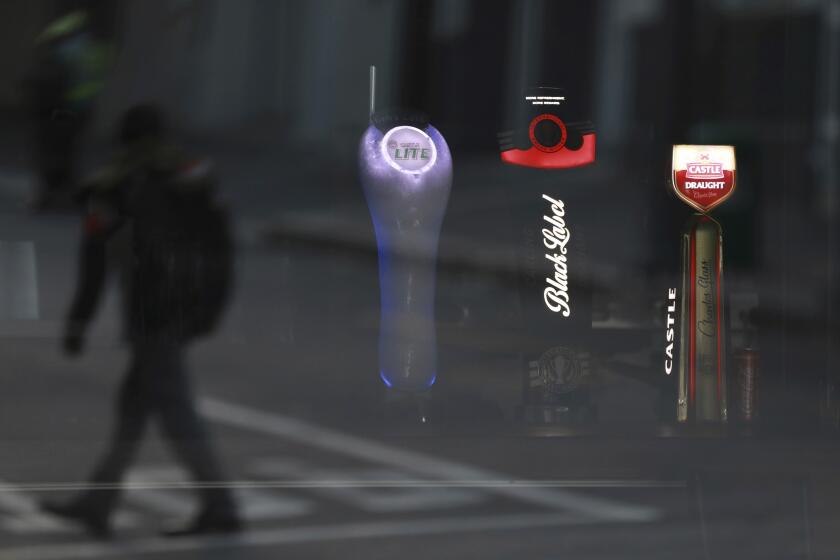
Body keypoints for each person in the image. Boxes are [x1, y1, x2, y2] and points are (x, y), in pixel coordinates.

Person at [41, 104, 241, 538]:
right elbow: (223, 248)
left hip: (150, 315)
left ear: (122, 140)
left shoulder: (111, 187)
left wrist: (78, 323)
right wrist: (210, 310)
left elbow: (94, 263)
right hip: (186, 310)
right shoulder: (192, 175)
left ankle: (220, 505)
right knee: (134, 408)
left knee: (175, 410)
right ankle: (99, 502)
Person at [24, 10, 111, 210]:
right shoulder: (93, 51)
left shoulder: (66, 52)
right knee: (68, 152)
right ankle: (69, 196)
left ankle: (47, 197)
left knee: (52, 152)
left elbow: (50, 82)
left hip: (60, 110)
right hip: (80, 111)